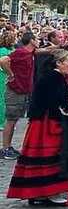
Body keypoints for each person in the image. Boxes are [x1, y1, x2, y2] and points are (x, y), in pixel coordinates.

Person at [6, 49, 68, 205]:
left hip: (43, 121)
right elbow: (59, 101)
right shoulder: (54, 78)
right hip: (47, 123)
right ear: (58, 63)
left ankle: (39, 192)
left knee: (42, 157)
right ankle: (48, 192)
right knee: (49, 156)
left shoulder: (54, 77)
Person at [2, 32, 38, 160]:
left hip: (22, 91)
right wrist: (11, 75)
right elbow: (3, 60)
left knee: (14, 120)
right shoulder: (21, 52)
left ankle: (8, 146)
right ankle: (5, 148)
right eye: (37, 39)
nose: (38, 41)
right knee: (11, 121)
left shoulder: (30, 53)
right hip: (15, 91)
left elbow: (44, 50)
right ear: (32, 41)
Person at [0, 30, 13, 150]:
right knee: (3, 98)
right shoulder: (10, 52)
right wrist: (11, 74)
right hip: (4, 76)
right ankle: (1, 121)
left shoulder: (1, 50)